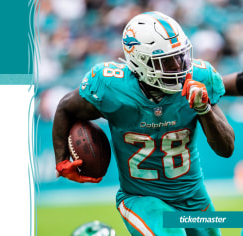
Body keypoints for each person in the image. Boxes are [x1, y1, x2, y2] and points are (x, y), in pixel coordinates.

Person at [52, 11, 235, 236]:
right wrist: (61, 162)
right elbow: (65, 107)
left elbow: (226, 149)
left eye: (181, 56)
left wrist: (203, 108)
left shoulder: (200, 77)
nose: (180, 67)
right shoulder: (111, 86)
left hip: (193, 198)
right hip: (141, 198)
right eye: (168, 61)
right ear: (140, 62)